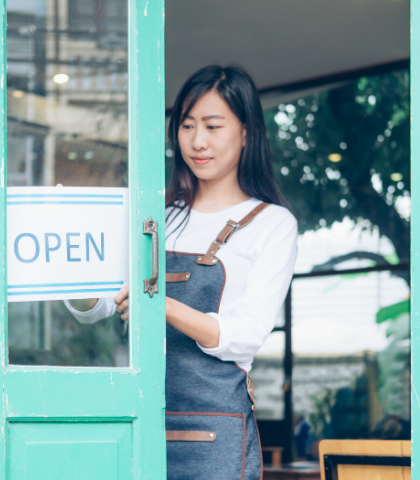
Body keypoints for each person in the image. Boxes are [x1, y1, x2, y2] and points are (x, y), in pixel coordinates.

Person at [66, 65, 298, 480]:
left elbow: (244, 334)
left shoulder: (272, 223)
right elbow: (102, 302)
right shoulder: (158, 217)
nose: (197, 142)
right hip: (138, 420)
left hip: (214, 432)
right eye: (186, 126)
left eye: (212, 125)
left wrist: (157, 304)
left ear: (246, 132)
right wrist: (64, 270)